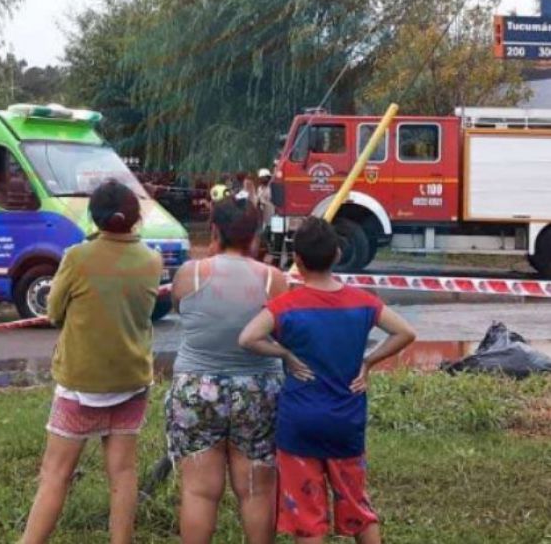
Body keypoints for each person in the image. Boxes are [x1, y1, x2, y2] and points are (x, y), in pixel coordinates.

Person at [238, 218, 416, 544]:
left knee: (307, 514)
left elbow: (248, 337)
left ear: (299, 261)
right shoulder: (363, 302)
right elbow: (406, 332)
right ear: (336, 254)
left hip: (299, 423)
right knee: (357, 505)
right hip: (346, 421)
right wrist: (369, 361)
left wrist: (285, 355)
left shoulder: (285, 306)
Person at [21, 179, 163, 544]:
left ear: (95, 218)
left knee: (55, 474)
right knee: (123, 472)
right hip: (132, 381)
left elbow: (53, 311)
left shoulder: (77, 257)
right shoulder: (151, 259)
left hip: (81, 383)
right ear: (134, 218)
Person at [166, 199, 288, 544]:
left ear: (214, 230)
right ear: (254, 237)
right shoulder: (274, 280)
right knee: (257, 491)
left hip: (197, 391)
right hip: (259, 390)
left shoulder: (190, 274)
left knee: (199, 492)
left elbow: (179, 305)